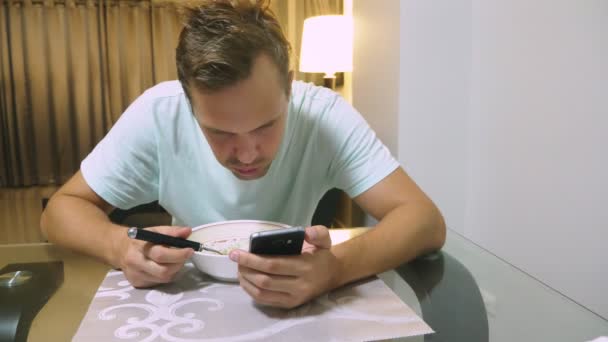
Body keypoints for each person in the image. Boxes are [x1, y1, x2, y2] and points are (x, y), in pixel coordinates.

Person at [41, 0, 446, 309]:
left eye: (266, 125)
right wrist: (118, 246)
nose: (247, 153)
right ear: (188, 101)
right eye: (218, 132)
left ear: (289, 86)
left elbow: (424, 220)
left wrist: (337, 267)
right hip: (187, 297)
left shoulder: (324, 114)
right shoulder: (157, 114)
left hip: (296, 301)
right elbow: (60, 210)